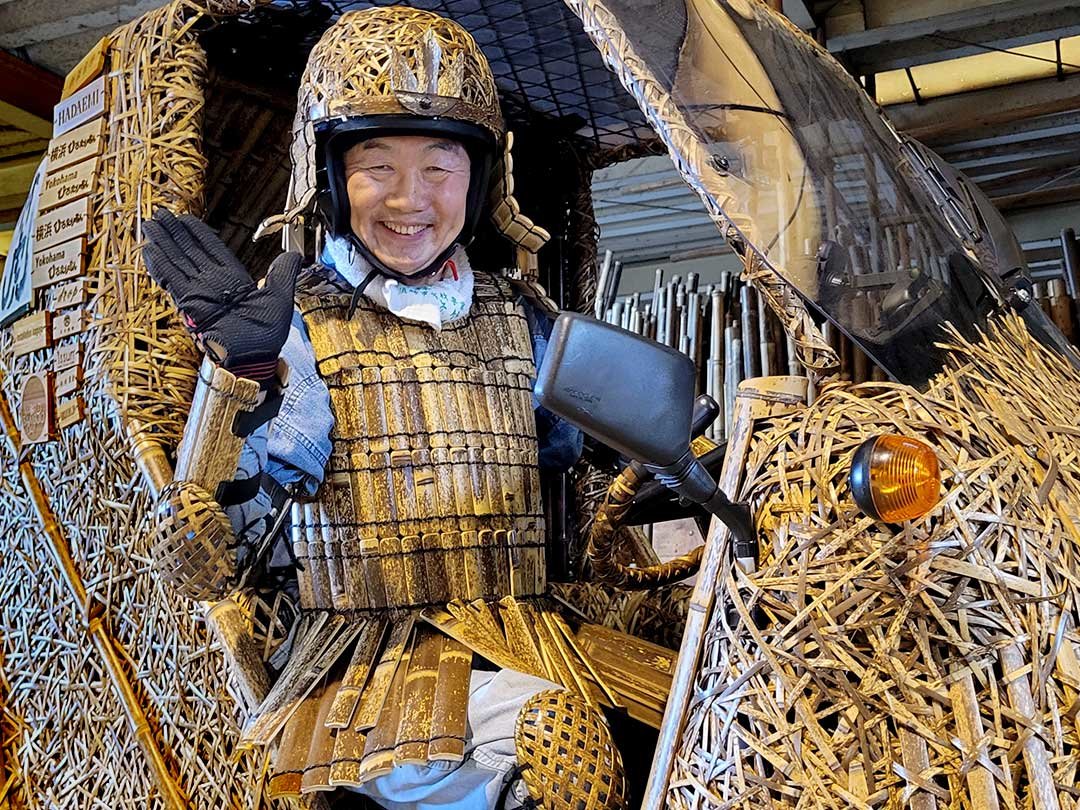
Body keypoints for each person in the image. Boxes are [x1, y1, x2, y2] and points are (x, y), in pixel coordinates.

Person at [143, 7, 668, 808]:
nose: (408, 198)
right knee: (563, 739)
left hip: (527, 626)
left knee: (685, 705)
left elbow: (585, 463)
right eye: (375, 164)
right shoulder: (292, 330)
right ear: (327, 174)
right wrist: (243, 375)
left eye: (440, 165)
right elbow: (215, 536)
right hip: (371, 662)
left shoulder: (521, 314)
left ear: (481, 178)